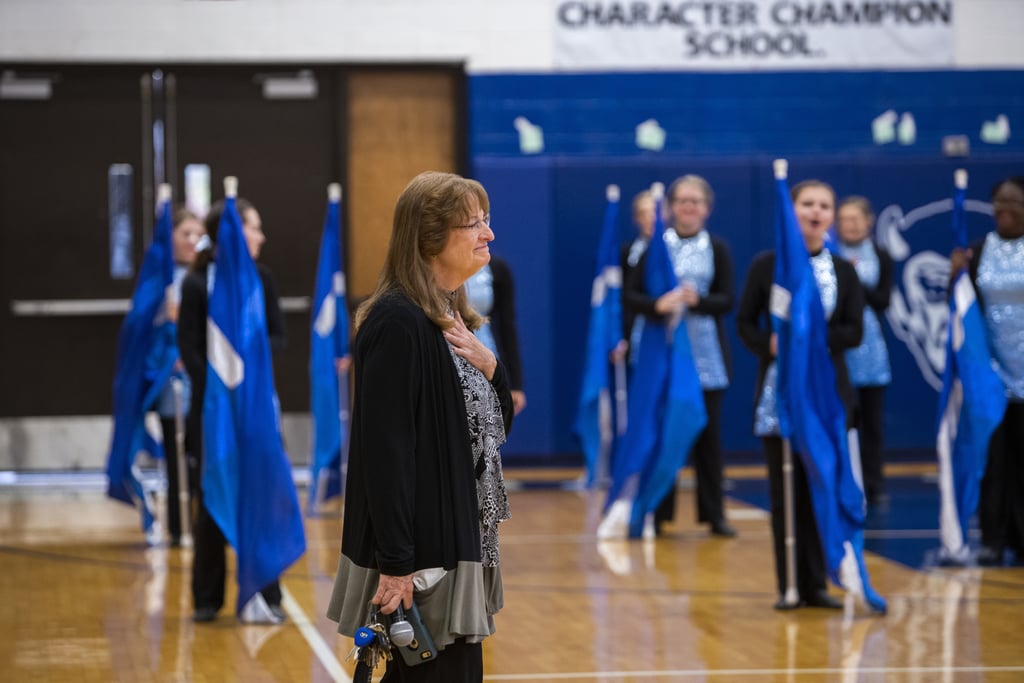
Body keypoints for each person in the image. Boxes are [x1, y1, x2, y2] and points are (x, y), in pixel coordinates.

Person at [327, 171, 514, 680]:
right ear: (431, 240)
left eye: (486, 221)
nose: (488, 234)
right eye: (473, 224)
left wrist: (492, 366)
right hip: (422, 554)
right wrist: (396, 562)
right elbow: (385, 454)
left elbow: (494, 430)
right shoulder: (396, 321)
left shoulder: (451, 317)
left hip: (458, 539)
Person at [737, 179, 864, 609]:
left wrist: (810, 340)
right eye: (807, 204)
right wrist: (769, 344)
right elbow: (745, 322)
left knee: (821, 490)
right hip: (780, 396)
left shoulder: (844, 271)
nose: (815, 211)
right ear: (792, 211)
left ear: (832, 215)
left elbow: (854, 330)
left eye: (824, 205)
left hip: (826, 398)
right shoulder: (766, 266)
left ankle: (819, 583)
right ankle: (789, 584)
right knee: (784, 491)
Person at [177, 197, 288, 624]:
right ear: (233, 233)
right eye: (254, 227)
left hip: (256, 408)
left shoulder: (261, 279)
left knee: (261, 497)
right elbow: (188, 347)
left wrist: (248, 370)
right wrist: (220, 396)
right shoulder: (196, 283)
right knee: (210, 501)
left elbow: (278, 337)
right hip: (213, 414)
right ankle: (208, 598)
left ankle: (268, 594)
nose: (261, 236)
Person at [622, 175, 736, 537]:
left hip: (706, 357)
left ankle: (714, 514)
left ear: (707, 208)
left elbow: (727, 300)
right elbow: (630, 296)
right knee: (662, 434)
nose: (689, 207)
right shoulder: (654, 246)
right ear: (670, 207)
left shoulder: (717, 247)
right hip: (662, 356)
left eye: (696, 201)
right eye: (682, 201)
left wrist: (696, 301)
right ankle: (660, 511)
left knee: (708, 439)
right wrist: (658, 304)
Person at [949, 175, 1024, 566]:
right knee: (994, 462)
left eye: (1013, 202)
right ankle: (993, 539)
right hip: (992, 376)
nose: (1004, 210)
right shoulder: (978, 252)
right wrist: (955, 278)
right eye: (998, 202)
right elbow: (963, 309)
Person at [151, 207, 205, 546]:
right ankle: (177, 525)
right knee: (176, 456)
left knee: (202, 453)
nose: (192, 241)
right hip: (171, 379)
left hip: (201, 377)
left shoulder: (205, 276)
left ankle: (205, 526)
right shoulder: (159, 279)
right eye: (185, 233)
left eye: (197, 235)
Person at [835, 196, 893, 507]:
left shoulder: (880, 255)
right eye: (844, 219)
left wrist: (854, 280)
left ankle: (873, 482)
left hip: (870, 348)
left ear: (869, 221)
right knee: (842, 418)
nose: (851, 225)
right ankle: (842, 479)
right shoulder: (830, 254)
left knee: (871, 421)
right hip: (838, 347)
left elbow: (883, 301)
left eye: (856, 219)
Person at [464, 254, 526, 415]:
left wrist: (515, 383)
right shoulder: (432, 267)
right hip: (445, 360)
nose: (487, 235)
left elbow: (507, 328)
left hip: (487, 358)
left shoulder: (498, 269)